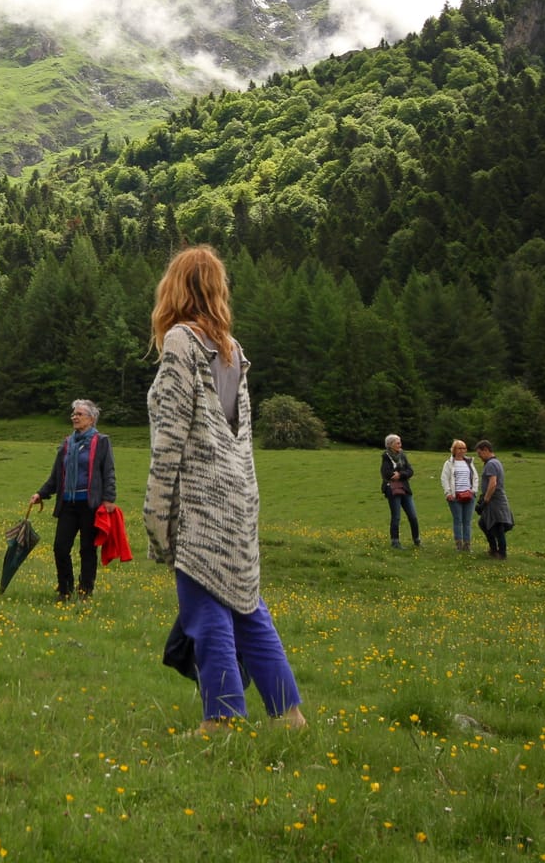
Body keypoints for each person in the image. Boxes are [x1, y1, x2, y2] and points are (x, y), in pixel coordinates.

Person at [144, 245, 306, 734]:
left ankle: (222, 718)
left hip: (199, 501)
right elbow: (243, 438)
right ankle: (289, 715)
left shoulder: (180, 342)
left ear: (174, 287)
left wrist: (155, 515)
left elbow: (170, 439)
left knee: (205, 610)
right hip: (239, 499)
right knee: (248, 606)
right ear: (216, 289)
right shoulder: (233, 351)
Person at [30, 399, 117, 601]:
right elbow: (56, 475)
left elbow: (109, 471)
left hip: (90, 504)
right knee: (60, 547)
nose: (74, 417)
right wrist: (41, 493)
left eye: (79, 414)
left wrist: (109, 498)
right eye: (73, 414)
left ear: (91, 419)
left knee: (87, 549)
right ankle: (65, 589)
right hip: (68, 503)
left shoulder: (101, 441)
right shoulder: (67, 443)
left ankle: (85, 590)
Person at [474, 440, 515, 559]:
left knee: (497, 527)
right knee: (485, 524)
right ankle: (494, 549)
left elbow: (493, 483)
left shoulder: (491, 464)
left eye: (480, 454)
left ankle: (501, 553)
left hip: (495, 501)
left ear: (486, 450)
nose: (480, 457)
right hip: (495, 500)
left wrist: (485, 502)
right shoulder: (496, 462)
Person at [380, 433, 421, 549]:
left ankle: (417, 540)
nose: (400, 445)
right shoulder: (386, 457)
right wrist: (399, 474)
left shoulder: (403, 455)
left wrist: (400, 474)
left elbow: (410, 470)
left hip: (405, 488)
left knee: (413, 516)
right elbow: (386, 473)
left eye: (400, 442)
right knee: (396, 516)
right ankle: (395, 542)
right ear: (390, 445)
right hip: (392, 490)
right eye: (397, 443)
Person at [440, 439, 479, 551]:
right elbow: (444, 479)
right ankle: (458, 544)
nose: (462, 450)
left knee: (467, 521)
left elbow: (475, 477)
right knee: (458, 520)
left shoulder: (469, 463)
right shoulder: (449, 464)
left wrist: (473, 491)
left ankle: (467, 545)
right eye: (459, 448)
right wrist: (448, 493)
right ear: (454, 450)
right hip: (455, 496)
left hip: (469, 495)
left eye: (464, 448)